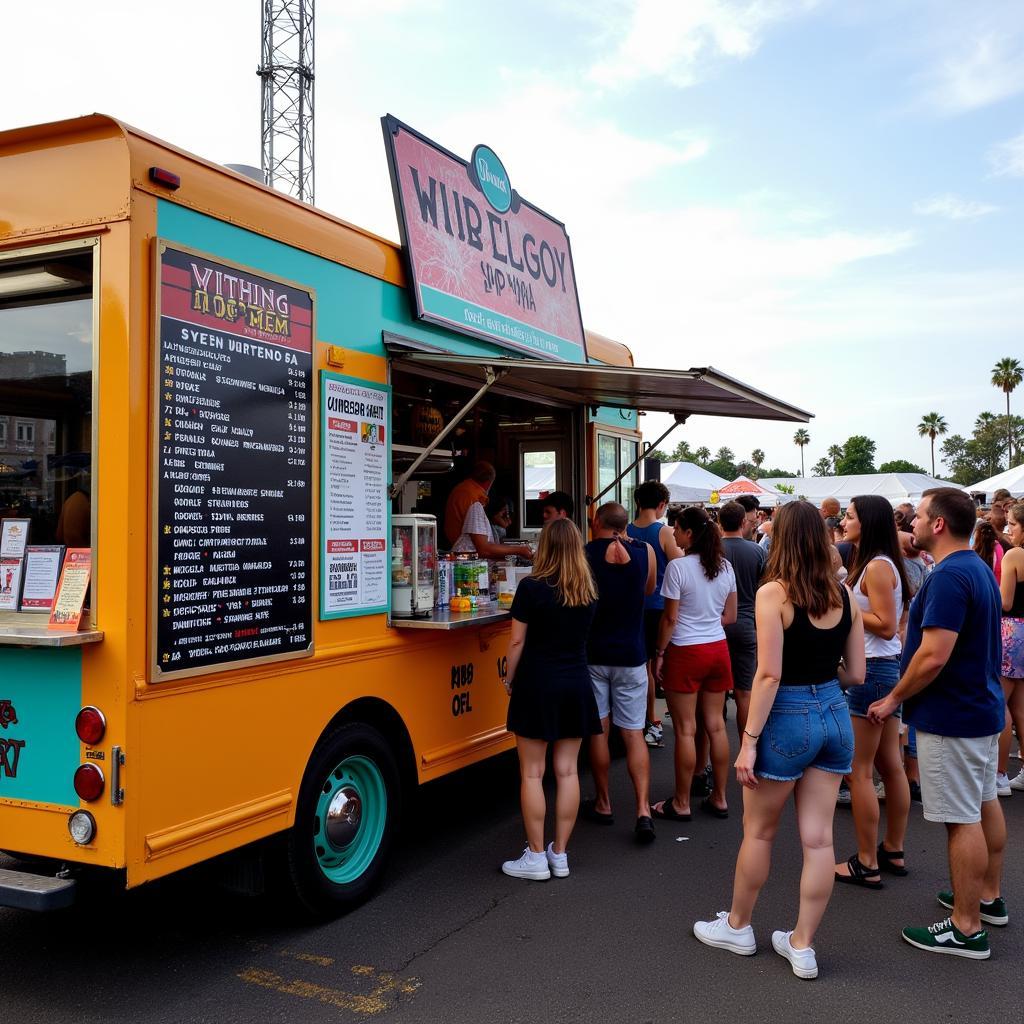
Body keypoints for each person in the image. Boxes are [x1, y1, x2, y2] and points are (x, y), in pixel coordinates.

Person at [693, 500, 865, 980]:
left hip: (786, 716)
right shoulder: (843, 595)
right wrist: (821, 683)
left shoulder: (775, 594)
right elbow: (857, 672)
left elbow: (767, 675)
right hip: (834, 714)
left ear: (780, 537)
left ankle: (738, 925)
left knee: (760, 832)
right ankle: (802, 944)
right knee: (818, 840)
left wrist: (748, 741)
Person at [868, 488, 1007, 960]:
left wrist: (892, 699)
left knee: (960, 818)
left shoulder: (950, 575)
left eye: (920, 516)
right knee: (983, 803)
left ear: (940, 524)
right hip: (980, 710)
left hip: (955, 716)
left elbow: (933, 655)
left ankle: (966, 927)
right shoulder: (975, 568)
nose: (913, 523)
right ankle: (984, 897)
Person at [501, 519, 600, 881]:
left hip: (537, 683)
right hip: (576, 682)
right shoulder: (587, 590)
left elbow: (516, 643)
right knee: (569, 771)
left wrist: (508, 678)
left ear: (545, 548)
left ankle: (536, 856)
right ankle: (561, 853)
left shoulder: (531, 588)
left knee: (532, 772)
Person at [833, 496, 912, 889]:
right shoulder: (877, 563)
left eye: (848, 516)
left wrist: (841, 602)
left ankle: (867, 860)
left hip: (873, 671)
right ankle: (892, 850)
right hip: (884, 670)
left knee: (858, 772)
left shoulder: (877, 567)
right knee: (889, 766)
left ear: (867, 522)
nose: (843, 522)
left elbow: (884, 624)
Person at [652, 506, 737, 821]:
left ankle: (682, 802)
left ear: (689, 532)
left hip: (686, 651)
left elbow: (670, 618)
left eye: (676, 528)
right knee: (716, 725)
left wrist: (659, 653)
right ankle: (720, 798)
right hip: (717, 649)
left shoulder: (678, 567)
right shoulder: (725, 567)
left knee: (686, 729)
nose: (673, 533)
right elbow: (729, 615)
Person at [582, 502, 657, 843]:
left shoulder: (583, 554)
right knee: (633, 733)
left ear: (596, 521)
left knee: (598, 731)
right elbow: (648, 590)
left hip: (594, 653)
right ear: (625, 524)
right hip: (632, 653)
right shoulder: (646, 552)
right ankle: (642, 810)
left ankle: (604, 802)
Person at [626, 480, 683, 748]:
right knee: (659, 666)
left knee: (643, 668)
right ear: (661, 505)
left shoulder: (624, 530)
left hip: (634, 607)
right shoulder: (664, 532)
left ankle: (646, 719)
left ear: (637, 502)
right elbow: (681, 564)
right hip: (660, 608)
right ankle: (657, 721)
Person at [719, 501, 766, 741]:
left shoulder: (712, 549)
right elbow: (765, 587)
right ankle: (747, 748)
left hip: (717, 627)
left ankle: (708, 759)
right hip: (748, 624)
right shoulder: (757, 551)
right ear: (743, 522)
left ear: (719, 522)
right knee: (745, 694)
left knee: (715, 696)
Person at [997, 500, 1024, 795]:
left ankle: (999, 773)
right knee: (1020, 706)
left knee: (999, 703)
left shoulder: (1014, 555)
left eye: (1013, 525)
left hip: (1013, 631)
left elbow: (1004, 601)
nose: (1008, 530)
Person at [445, 461, 495, 546]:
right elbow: (482, 546)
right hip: (463, 548)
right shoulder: (474, 501)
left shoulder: (464, 488)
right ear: (489, 482)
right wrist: (519, 550)